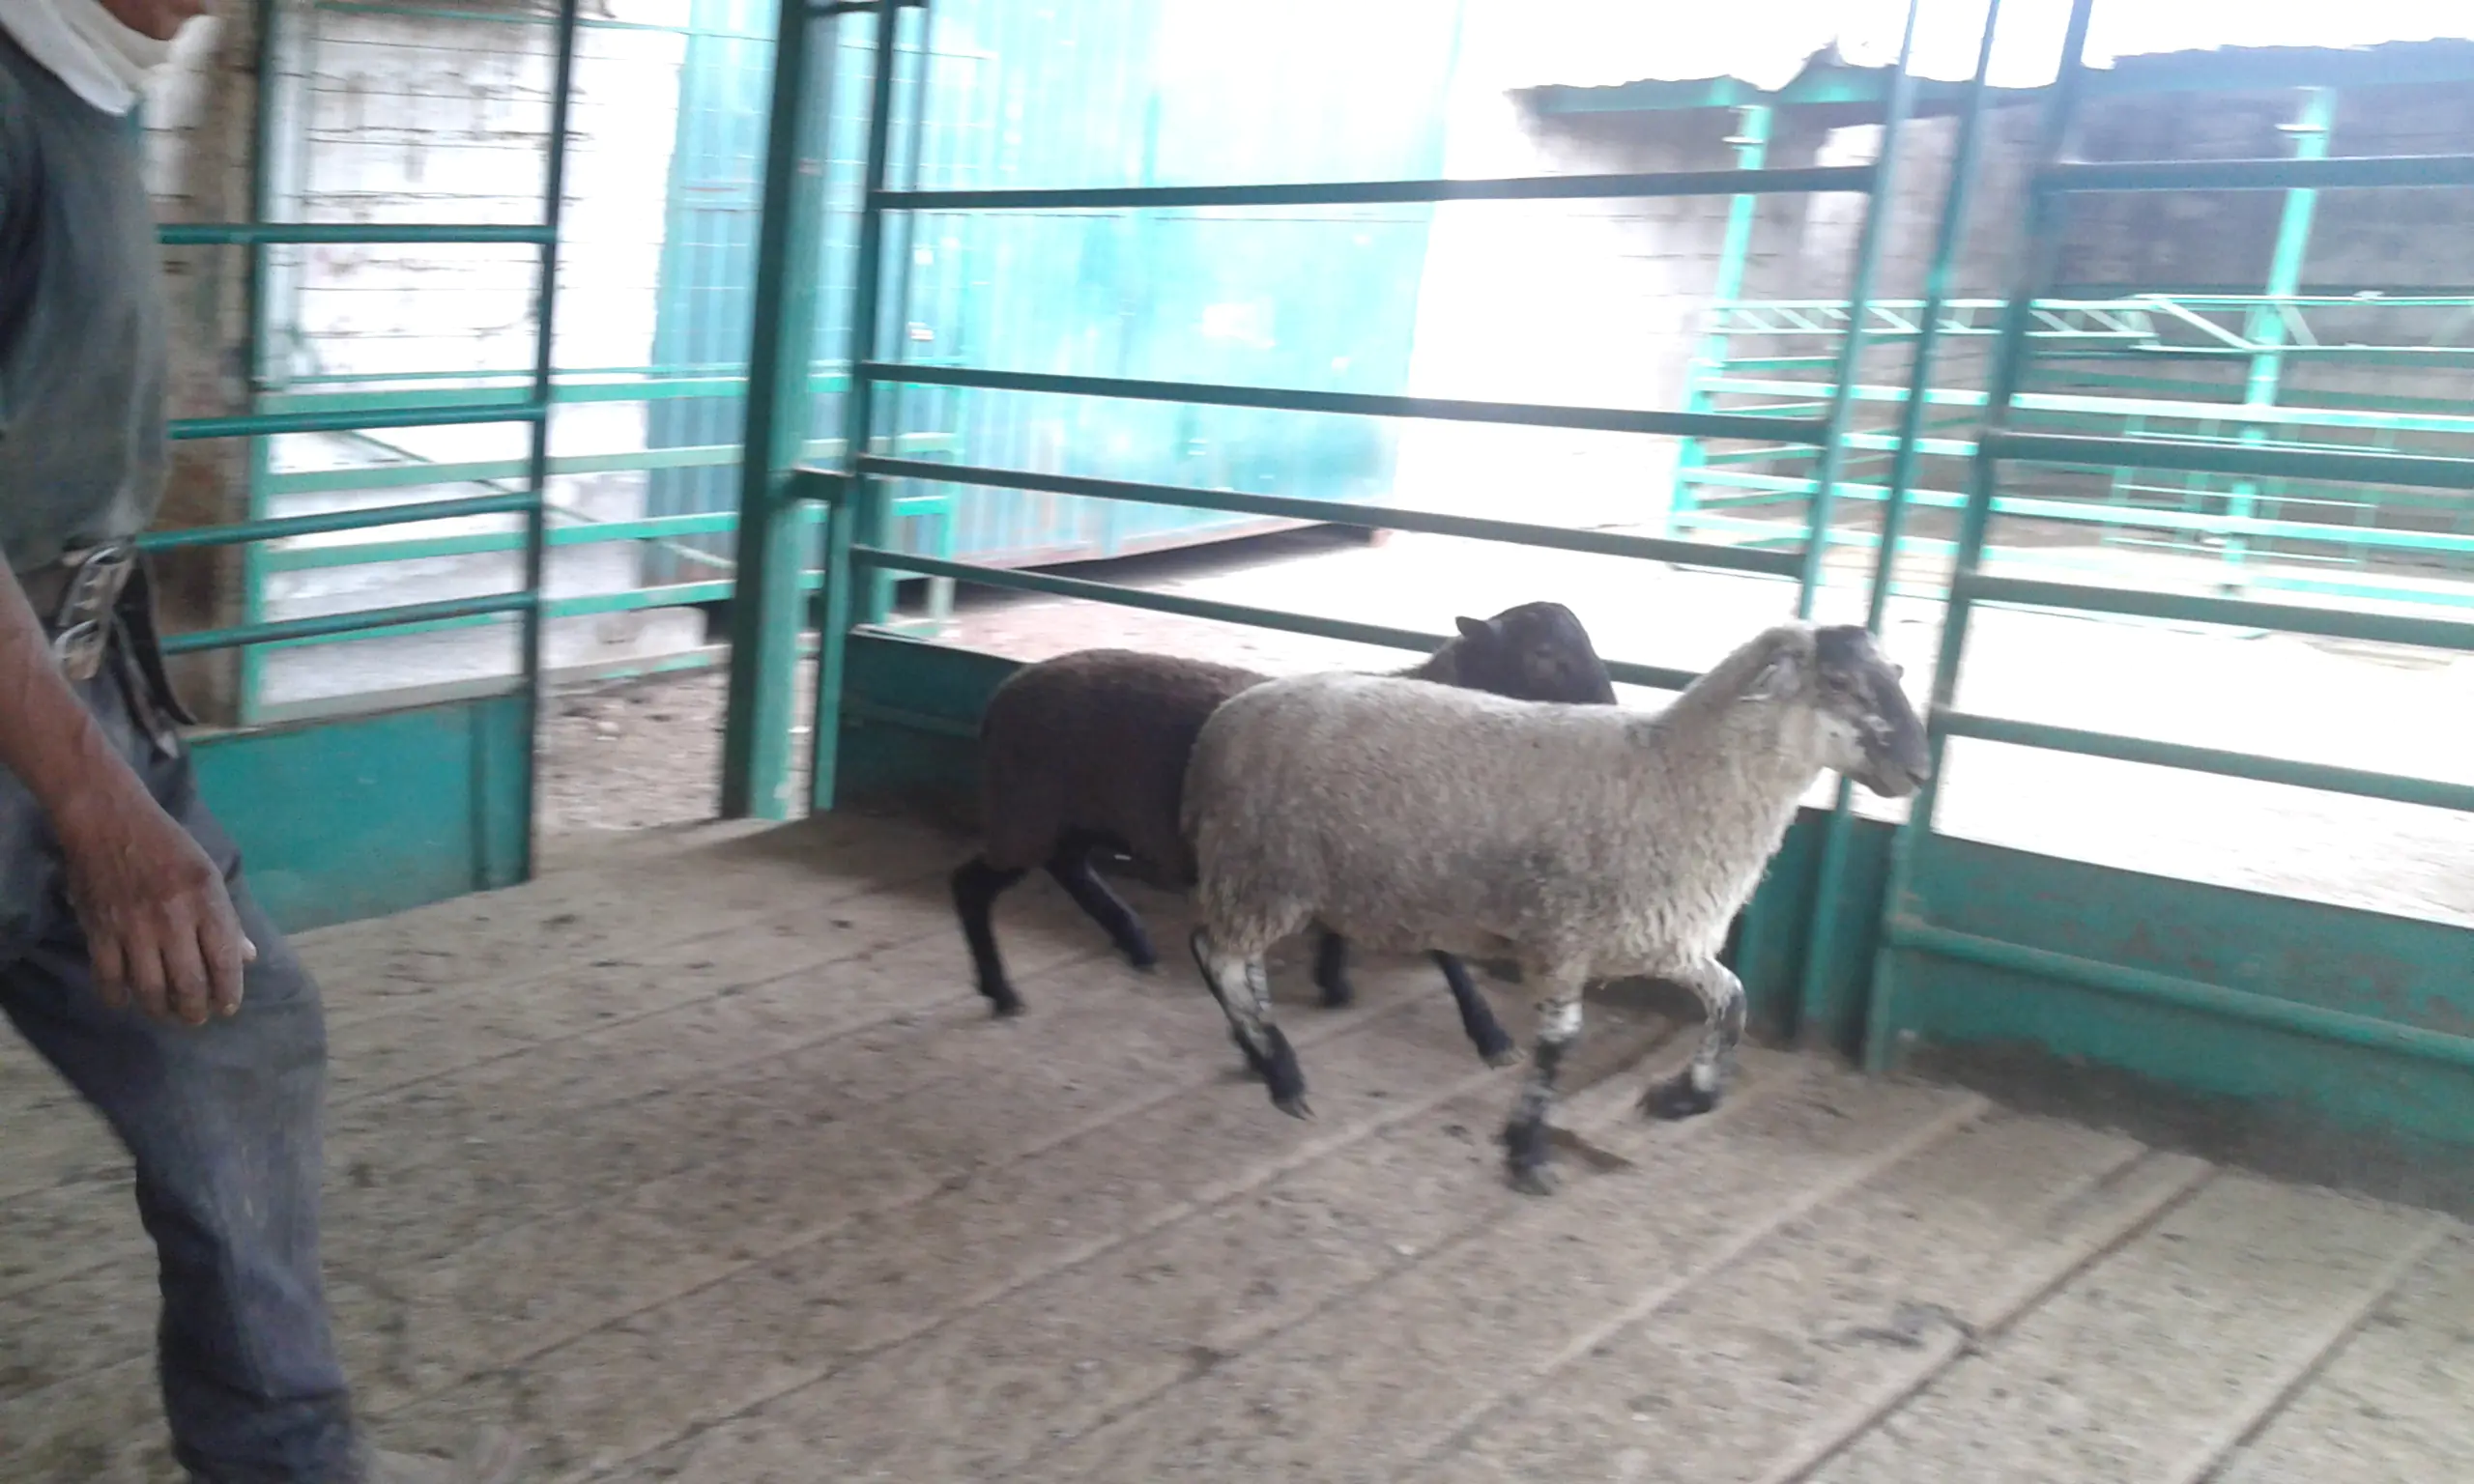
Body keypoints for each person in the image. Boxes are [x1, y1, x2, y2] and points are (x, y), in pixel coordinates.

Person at [0, 0, 529, 1478]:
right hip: (46, 725)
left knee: (237, 1033)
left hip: (77, 679)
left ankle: (288, 1455)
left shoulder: (89, 83)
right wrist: (98, 809)